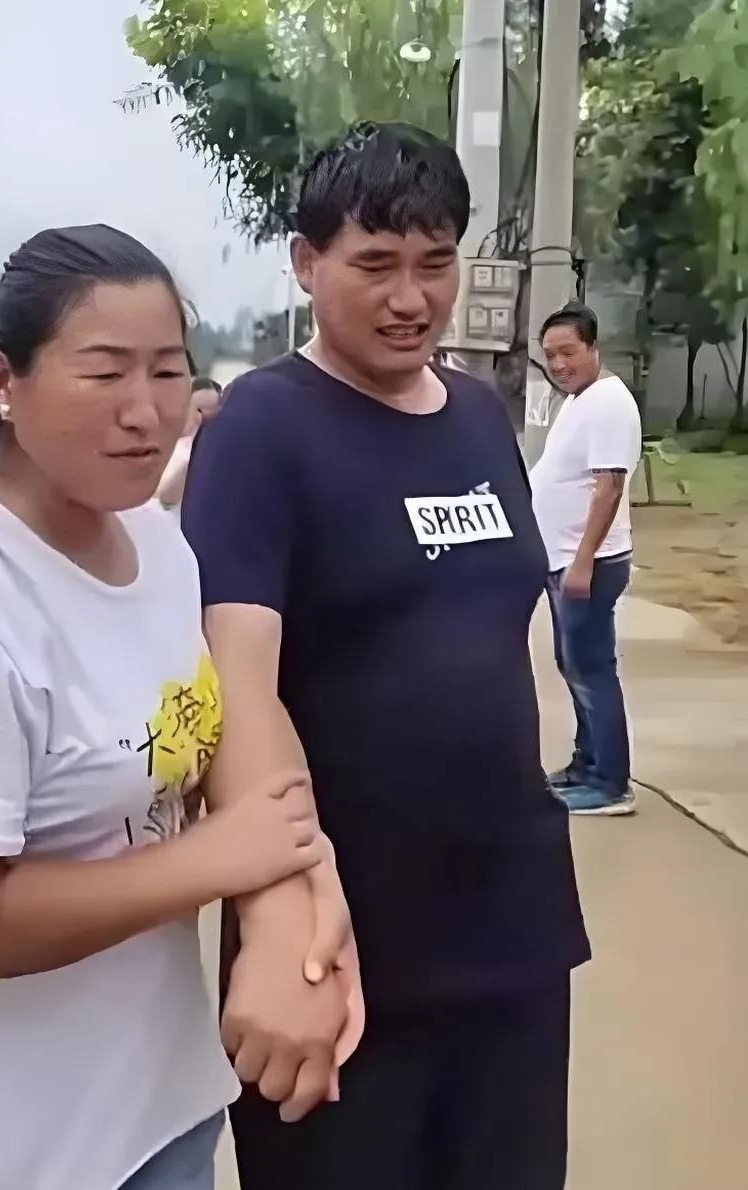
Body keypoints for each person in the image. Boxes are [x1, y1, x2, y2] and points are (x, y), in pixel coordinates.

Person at [0, 226, 331, 1190]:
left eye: (168, 371)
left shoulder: (151, 536)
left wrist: (291, 903)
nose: (146, 411)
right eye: (104, 373)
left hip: (154, 1119)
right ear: (4, 381)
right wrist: (210, 862)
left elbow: (212, 724)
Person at [182, 123, 590, 1190]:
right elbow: (237, 683)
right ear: (306, 262)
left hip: (512, 930)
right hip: (344, 946)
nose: (411, 298)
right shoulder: (263, 428)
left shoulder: (479, 416)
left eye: (434, 262)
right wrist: (284, 909)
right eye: (375, 265)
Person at [530, 302, 642, 816]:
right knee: (574, 666)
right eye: (550, 355)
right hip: (566, 560)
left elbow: (609, 487)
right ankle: (586, 764)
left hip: (589, 564)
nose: (558, 364)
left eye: (568, 352)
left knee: (592, 670)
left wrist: (582, 562)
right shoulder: (581, 400)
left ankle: (610, 784)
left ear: (593, 347)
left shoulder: (609, 403)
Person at [157, 376, 222, 516]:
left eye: (213, 410)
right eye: (199, 409)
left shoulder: (216, 444)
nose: (205, 416)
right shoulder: (166, 442)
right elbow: (164, 498)